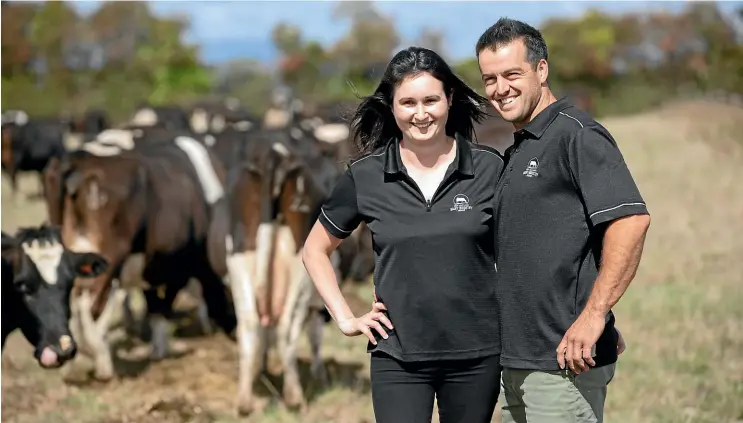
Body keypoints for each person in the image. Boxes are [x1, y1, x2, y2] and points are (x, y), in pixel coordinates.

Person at [301, 46, 505, 423]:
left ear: (450, 99)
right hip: (397, 356)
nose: (421, 113)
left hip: (477, 355)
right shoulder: (365, 176)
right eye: (408, 102)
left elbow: (525, 254)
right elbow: (315, 250)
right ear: (392, 107)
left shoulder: (490, 169)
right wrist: (346, 318)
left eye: (431, 100)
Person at [474, 18, 651, 423]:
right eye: (490, 79)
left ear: (541, 69)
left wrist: (594, 316)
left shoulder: (577, 135)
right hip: (519, 359)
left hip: (562, 364)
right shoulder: (521, 146)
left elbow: (630, 221)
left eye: (512, 74)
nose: (500, 89)